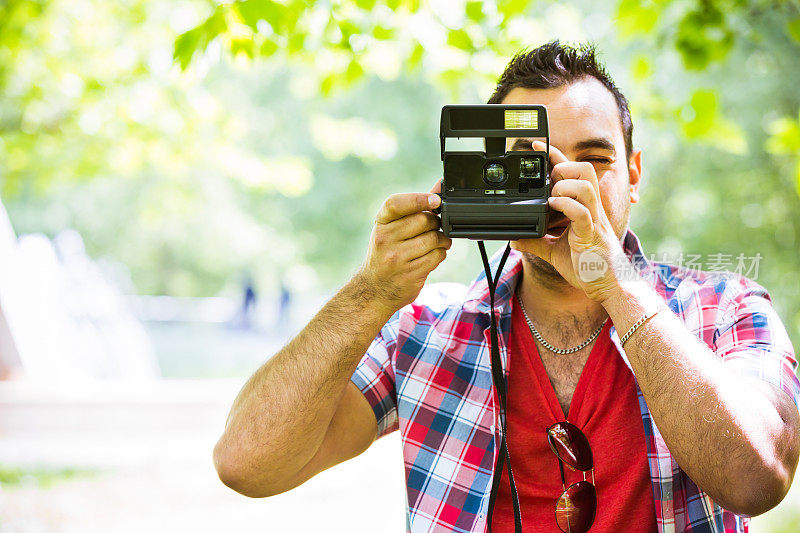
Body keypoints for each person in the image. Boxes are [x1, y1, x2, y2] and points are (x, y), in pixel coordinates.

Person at [212, 41, 800, 532]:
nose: (565, 185)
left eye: (592, 159)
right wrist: (370, 293)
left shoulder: (726, 307)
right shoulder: (422, 328)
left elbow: (758, 480)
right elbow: (247, 464)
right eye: (533, 165)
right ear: (492, 181)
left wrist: (615, 283)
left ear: (634, 175)